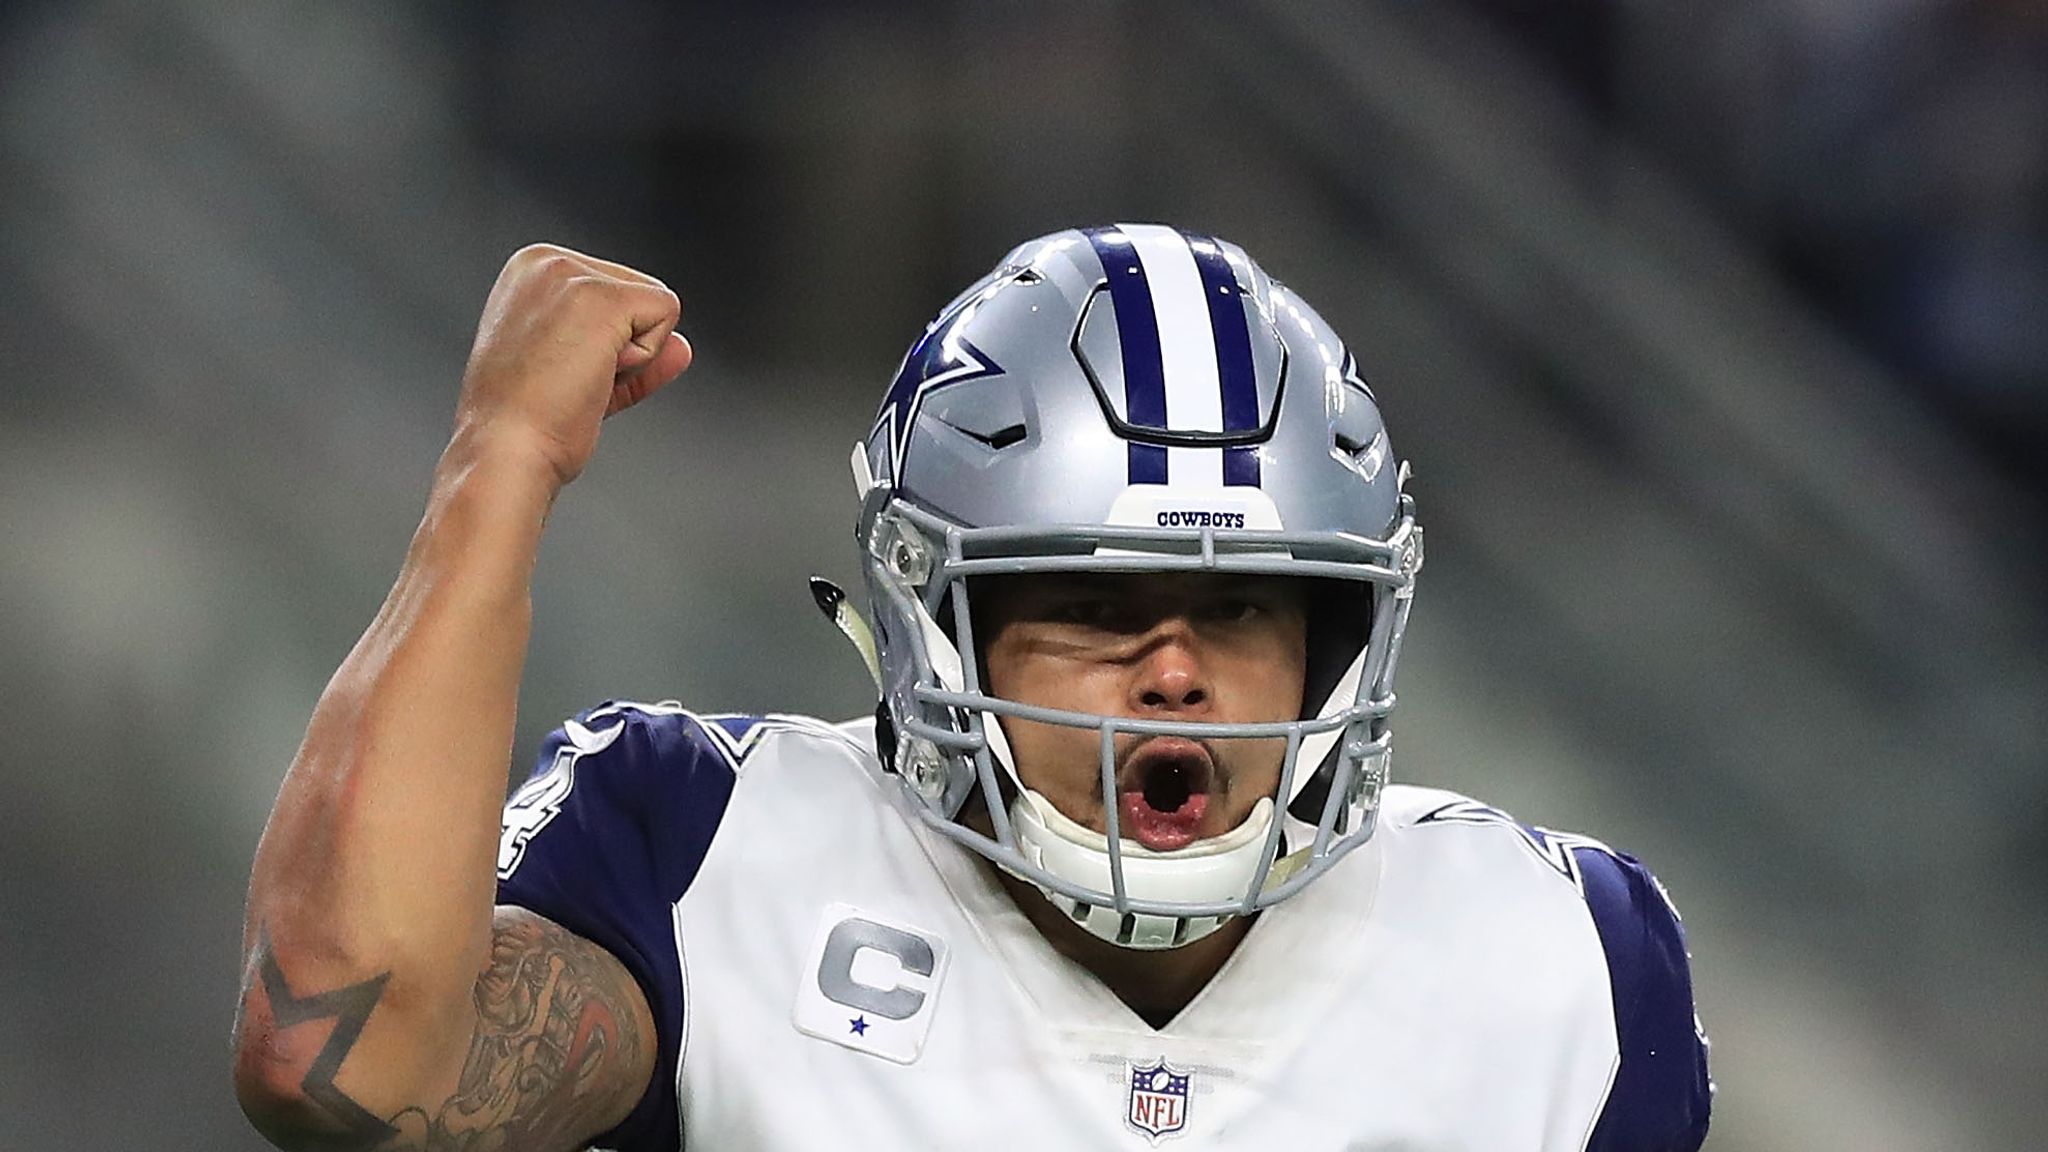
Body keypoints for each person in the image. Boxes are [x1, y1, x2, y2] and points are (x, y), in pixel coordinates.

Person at [232, 226, 1711, 1151]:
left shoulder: (1562, 959)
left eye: (1243, 604)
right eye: (1091, 605)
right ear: (941, 626)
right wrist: (501, 466)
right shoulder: (711, 848)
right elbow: (341, 1067)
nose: (1179, 671)